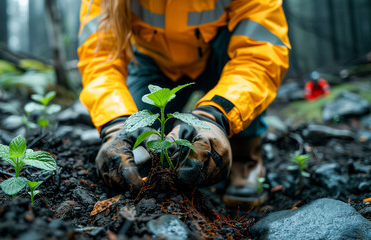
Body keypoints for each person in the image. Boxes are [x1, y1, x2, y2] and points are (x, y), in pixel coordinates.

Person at [77, 0, 290, 207]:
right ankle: (161, 163)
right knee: (132, 132)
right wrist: (114, 121)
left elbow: (259, 55)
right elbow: (100, 60)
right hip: (155, 63)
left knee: (236, 102)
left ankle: (245, 159)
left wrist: (214, 115)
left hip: (219, 56)